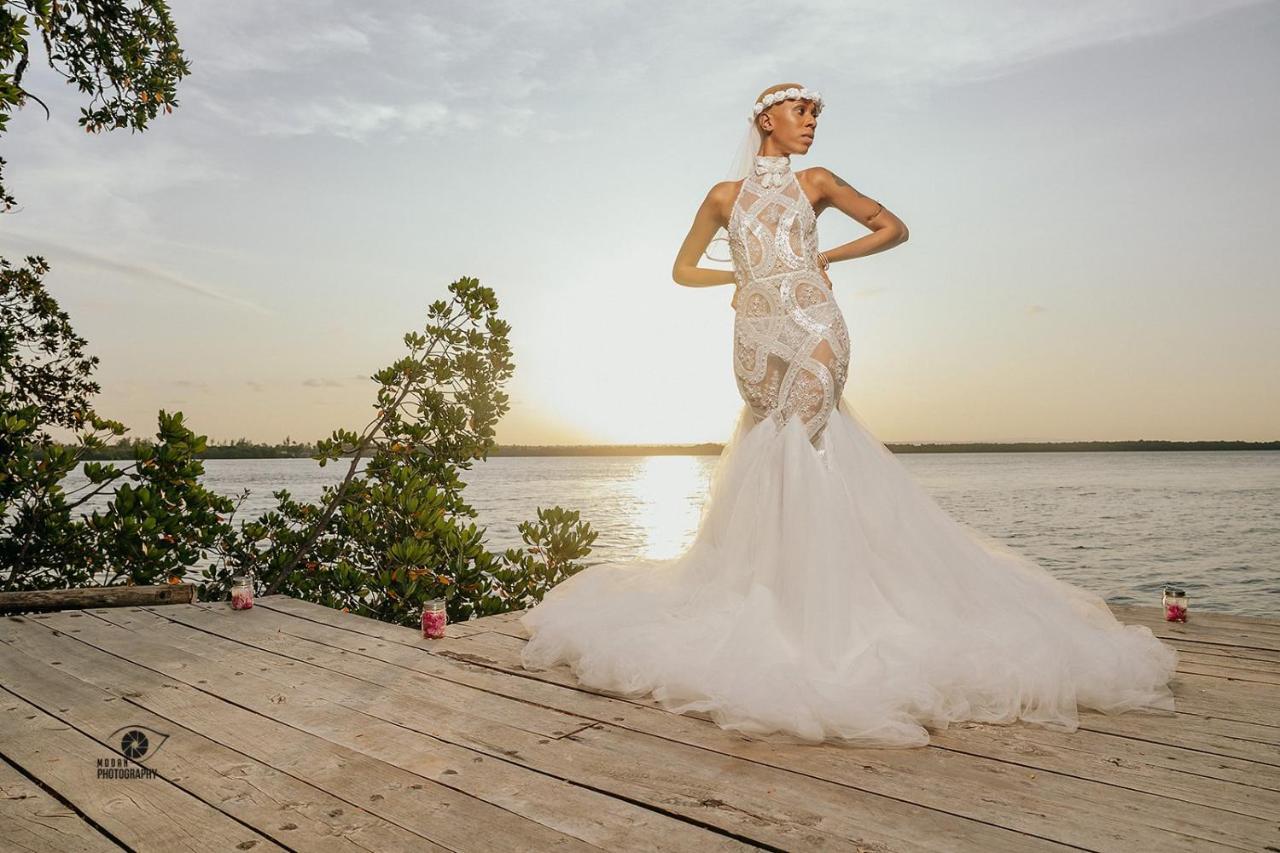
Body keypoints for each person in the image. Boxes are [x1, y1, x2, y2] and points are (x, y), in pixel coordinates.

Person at [517, 83, 1178, 747]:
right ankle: (766, 596)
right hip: (753, 339)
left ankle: (822, 625)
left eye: (814, 115)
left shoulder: (818, 182)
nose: (809, 124)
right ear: (765, 119)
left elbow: (893, 227)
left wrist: (824, 258)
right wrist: (741, 281)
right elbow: (683, 269)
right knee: (766, 454)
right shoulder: (723, 197)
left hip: (814, 325)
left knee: (799, 447)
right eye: (799, 112)